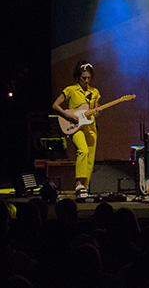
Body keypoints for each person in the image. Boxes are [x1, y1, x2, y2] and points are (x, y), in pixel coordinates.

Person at [53, 61, 100, 197]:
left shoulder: (94, 92)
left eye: (88, 78)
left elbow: (95, 108)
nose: (86, 81)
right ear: (78, 76)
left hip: (90, 127)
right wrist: (67, 115)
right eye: (83, 78)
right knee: (83, 150)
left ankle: (83, 189)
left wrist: (97, 111)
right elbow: (55, 105)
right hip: (76, 126)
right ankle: (78, 183)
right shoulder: (71, 90)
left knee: (90, 158)